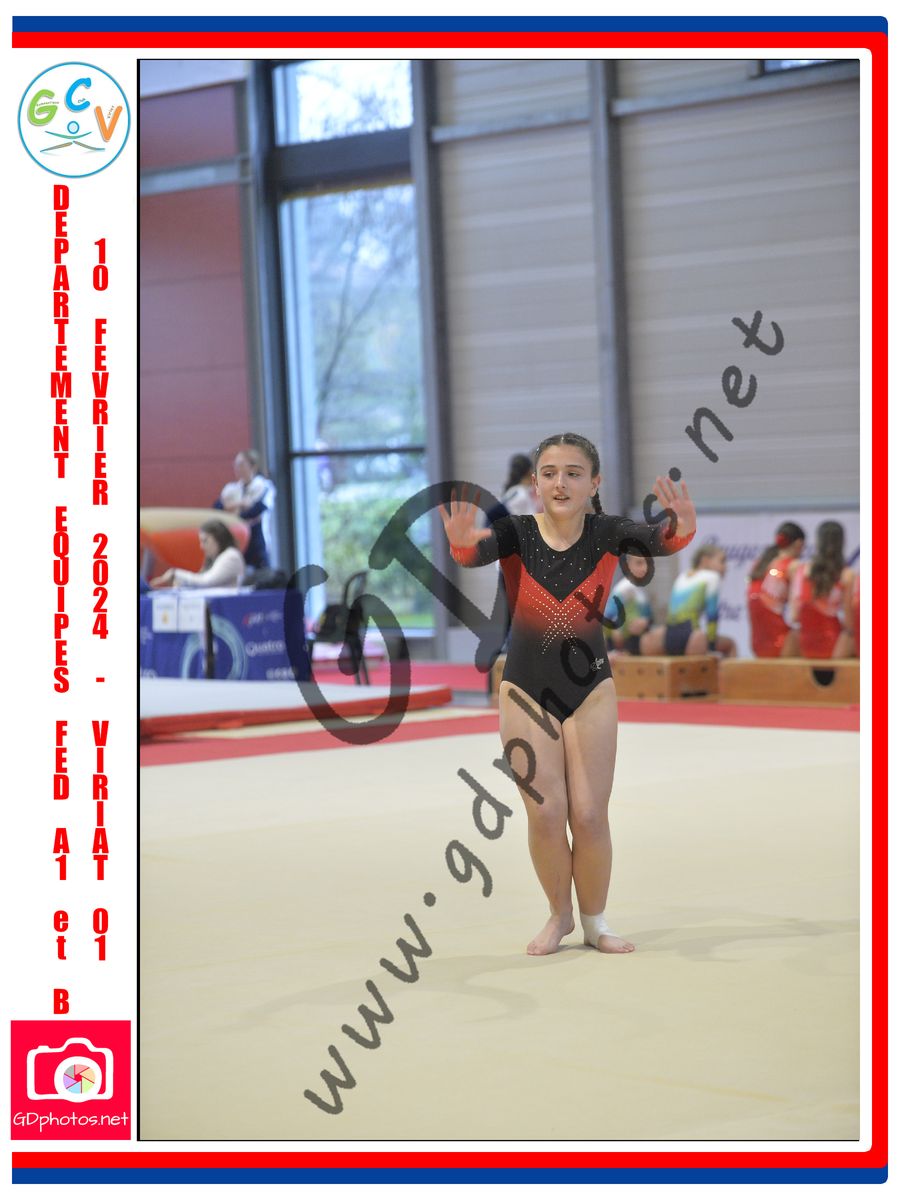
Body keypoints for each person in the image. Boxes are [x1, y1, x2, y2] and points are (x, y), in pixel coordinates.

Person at [439, 432, 696, 957]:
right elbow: (472, 555)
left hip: (590, 689)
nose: (561, 483)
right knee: (546, 813)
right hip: (525, 689)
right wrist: (461, 544)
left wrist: (682, 529)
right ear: (535, 484)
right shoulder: (516, 533)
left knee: (590, 815)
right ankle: (559, 914)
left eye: (574, 473)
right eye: (550, 473)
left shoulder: (608, 532)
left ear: (594, 483)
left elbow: (661, 541)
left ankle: (596, 922)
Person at [641, 543, 736, 658]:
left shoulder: (683, 575)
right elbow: (712, 616)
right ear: (705, 560)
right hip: (691, 635)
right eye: (722, 561)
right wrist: (711, 647)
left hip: (669, 635)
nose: (726, 567)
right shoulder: (712, 577)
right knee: (730, 645)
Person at [789, 521, 856, 659]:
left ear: (818, 542)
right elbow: (849, 623)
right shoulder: (846, 575)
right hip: (834, 646)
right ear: (842, 543)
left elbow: (794, 616)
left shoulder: (800, 570)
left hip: (806, 645)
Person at [746, 521, 805, 658]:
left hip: (757, 643)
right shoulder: (793, 566)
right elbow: (796, 613)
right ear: (798, 544)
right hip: (782, 642)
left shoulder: (759, 564)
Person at [213, 449, 276, 570]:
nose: (237, 468)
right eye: (236, 465)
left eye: (241, 464)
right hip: (237, 539)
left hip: (257, 540)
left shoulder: (264, 486)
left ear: (253, 466)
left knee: (263, 574)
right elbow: (217, 507)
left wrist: (231, 510)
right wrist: (240, 504)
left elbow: (257, 510)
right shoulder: (232, 488)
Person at [149, 519, 245, 588]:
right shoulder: (214, 559)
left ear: (219, 538)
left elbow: (206, 582)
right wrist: (180, 584)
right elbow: (199, 582)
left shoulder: (231, 556)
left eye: (205, 541)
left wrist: (175, 573)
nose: (202, 546)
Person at [604, 553, 653, 655]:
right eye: (639, 563)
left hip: (637, 643)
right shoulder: (623, 590)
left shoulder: (641, 591)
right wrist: (618, 629)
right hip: (623, 647)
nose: (644, 568)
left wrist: (645, 622)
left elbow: (649, 617)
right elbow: (608, 618)